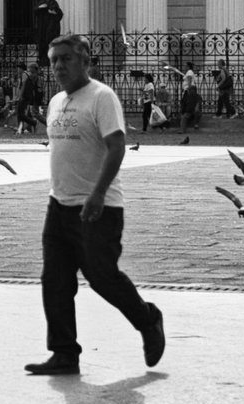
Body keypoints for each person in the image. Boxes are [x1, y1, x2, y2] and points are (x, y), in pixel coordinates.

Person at [24, 34, 165, 376]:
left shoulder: (102, 97)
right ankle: (64, 353)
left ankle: (147, 319)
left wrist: (98, 193)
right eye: (54, 60)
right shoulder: (56, 101)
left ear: (85, 61)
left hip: (98, 207)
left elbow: (117, 147)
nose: (58, 66)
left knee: (102, 277)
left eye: (66, 59)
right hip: (59, 205)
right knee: (55, 281)